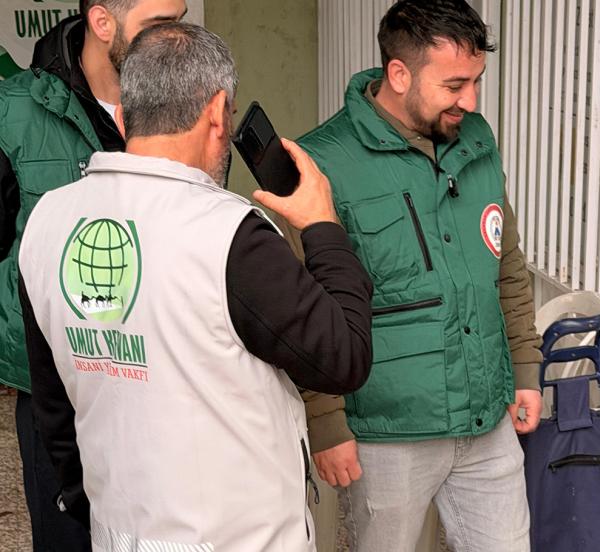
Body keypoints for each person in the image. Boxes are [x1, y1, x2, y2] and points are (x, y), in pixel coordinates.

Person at [17, 22, 373, 551]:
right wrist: (322, 226)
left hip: (120, 531)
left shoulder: (48, 220)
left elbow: (52, 404)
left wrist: (96, 510)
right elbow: (343, 358)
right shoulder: (230, 234)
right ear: (218, 112)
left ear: (127, 111)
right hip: (239, 538)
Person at [294, 1, 542, 549]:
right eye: (454, 85)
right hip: (386, 434)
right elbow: (305, 308)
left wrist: (525, 367)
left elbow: (506, 265)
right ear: (399, 74)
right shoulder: (322, 163)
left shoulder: (476, 139)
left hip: (487, 418)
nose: (470, 101)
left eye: (476, 81)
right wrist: (326, 421)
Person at [0, 1, 187, 549]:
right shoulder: (13, 113)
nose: (175, 38)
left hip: (164, 371)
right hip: (60, 384)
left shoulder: (185, 97)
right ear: (103, 23)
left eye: (180, 19)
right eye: (159, 24)